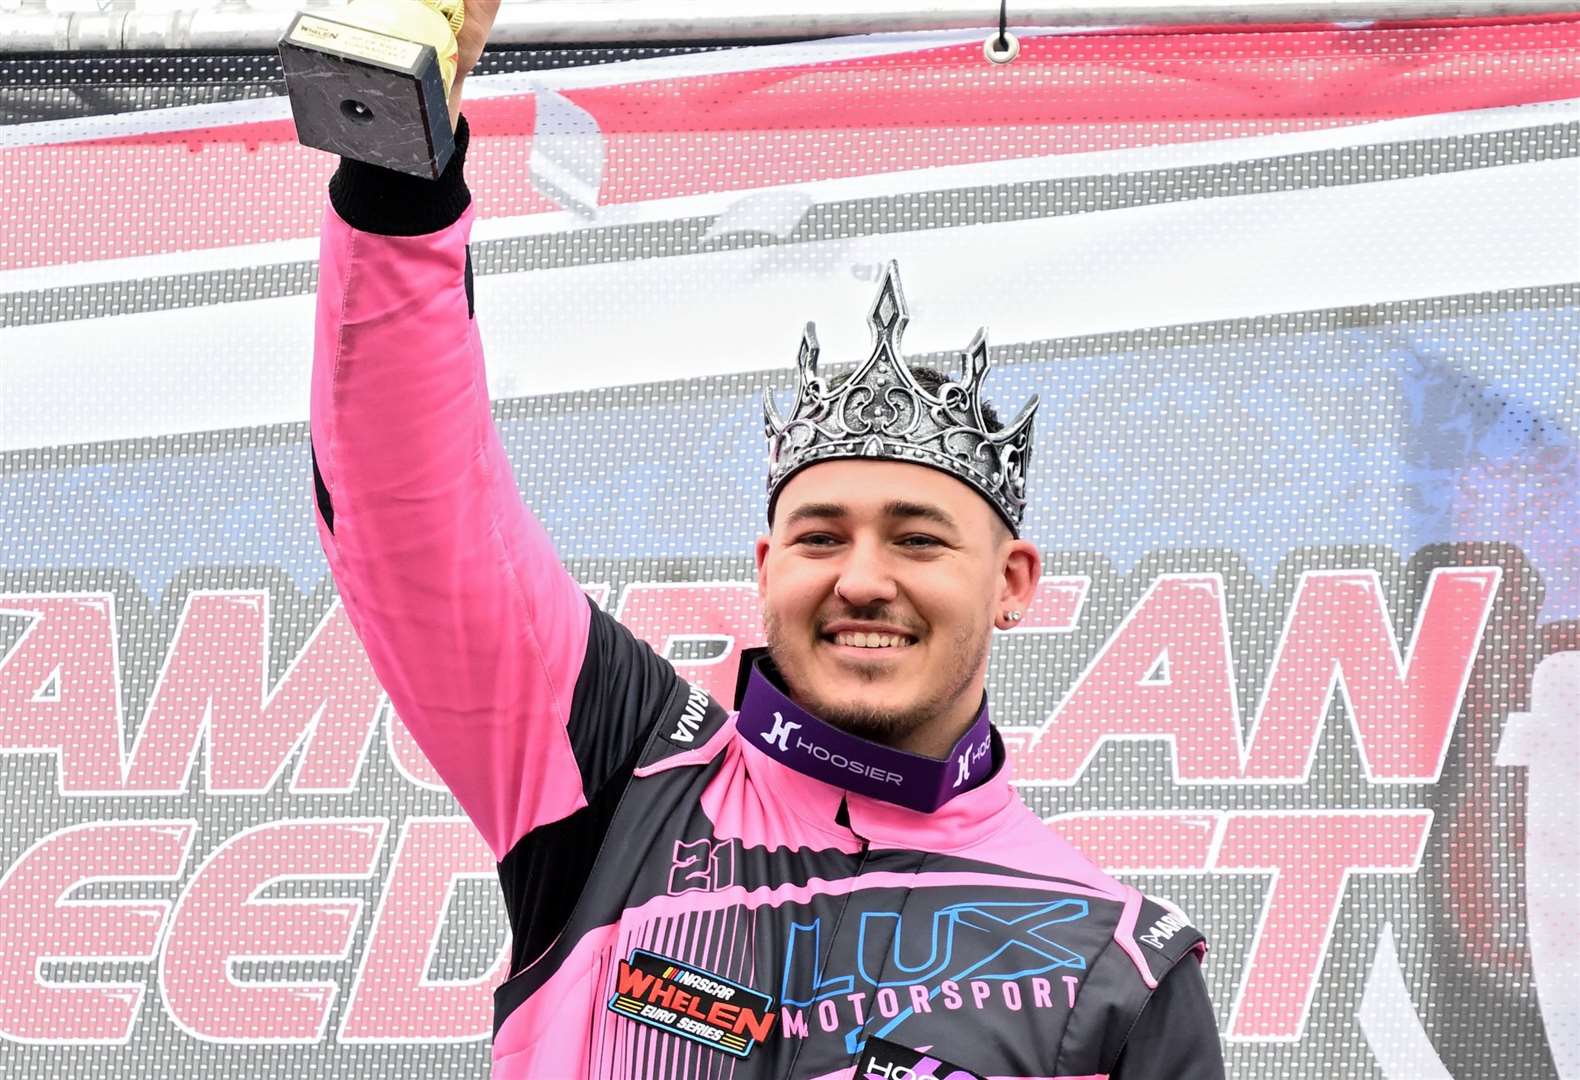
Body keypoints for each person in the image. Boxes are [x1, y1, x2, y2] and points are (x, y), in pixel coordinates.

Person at [309, 4, 1226, 1076]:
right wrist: (392, 161)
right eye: (819, 536)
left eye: (919, 540)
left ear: (1011, 582)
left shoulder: (1106, 964)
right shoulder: (623, 778)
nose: (863, 579)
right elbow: (412, 515)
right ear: (765, 567)